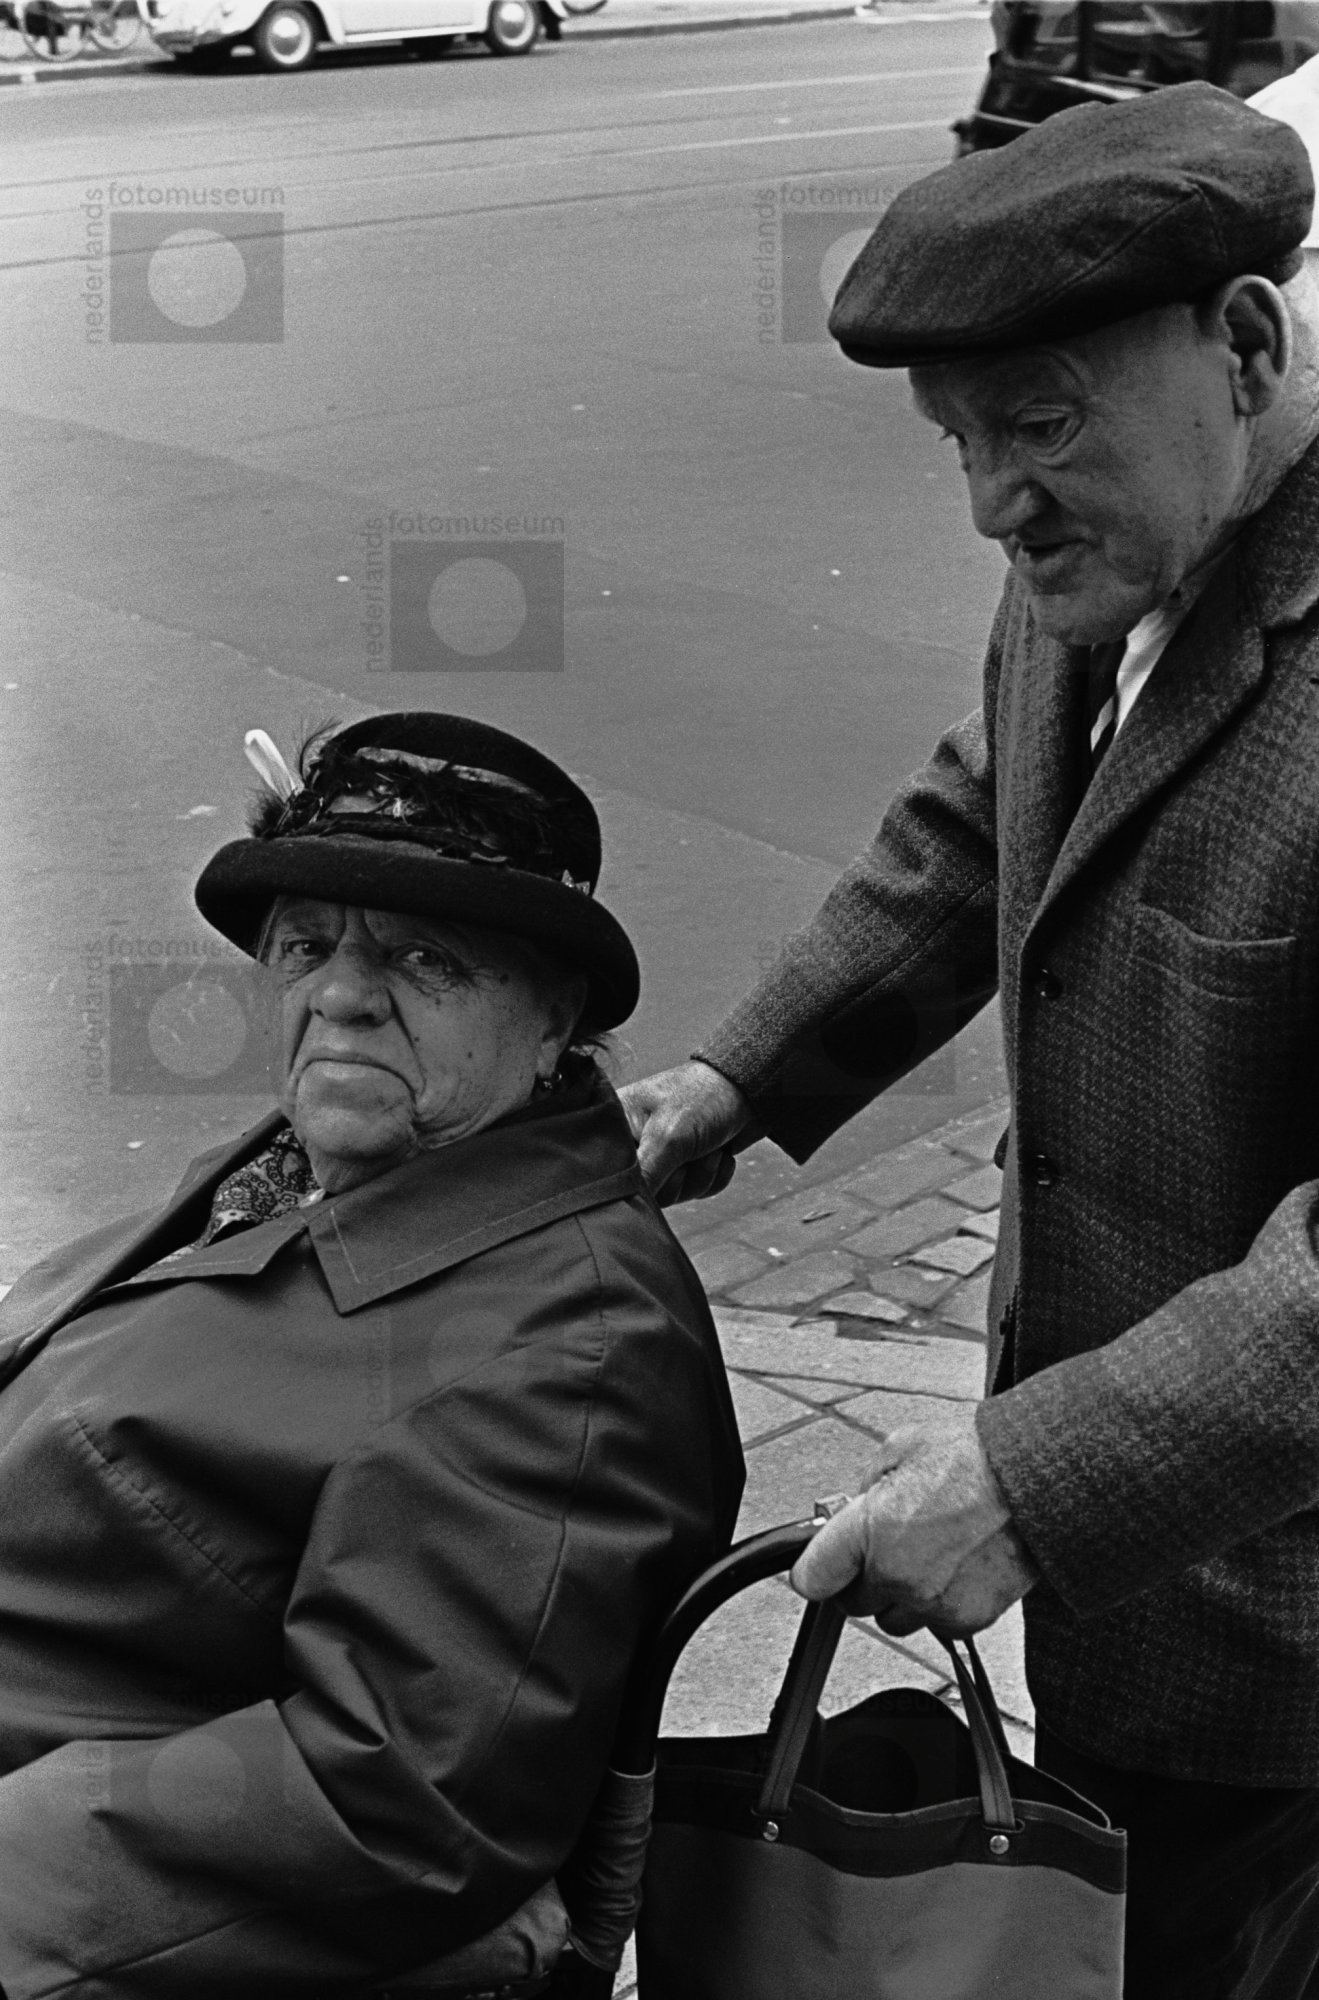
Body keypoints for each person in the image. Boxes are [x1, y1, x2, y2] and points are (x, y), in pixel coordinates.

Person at [622, 82, 1319, 1997]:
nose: (990, 503)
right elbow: (976, 822)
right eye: (956, 442)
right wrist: (735, 1078)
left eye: (1037, 423)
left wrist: (1021, 1486)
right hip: (1106, 1565)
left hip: (1273, 1629)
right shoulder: (1103, 555)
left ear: (1242, 345)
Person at [0, 711, 743, 1998]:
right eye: (304, 945)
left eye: (422, 957)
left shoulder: (567, 1349)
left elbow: (394, 1798)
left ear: (552, 1016)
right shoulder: (329, 1159)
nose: (339, 994)